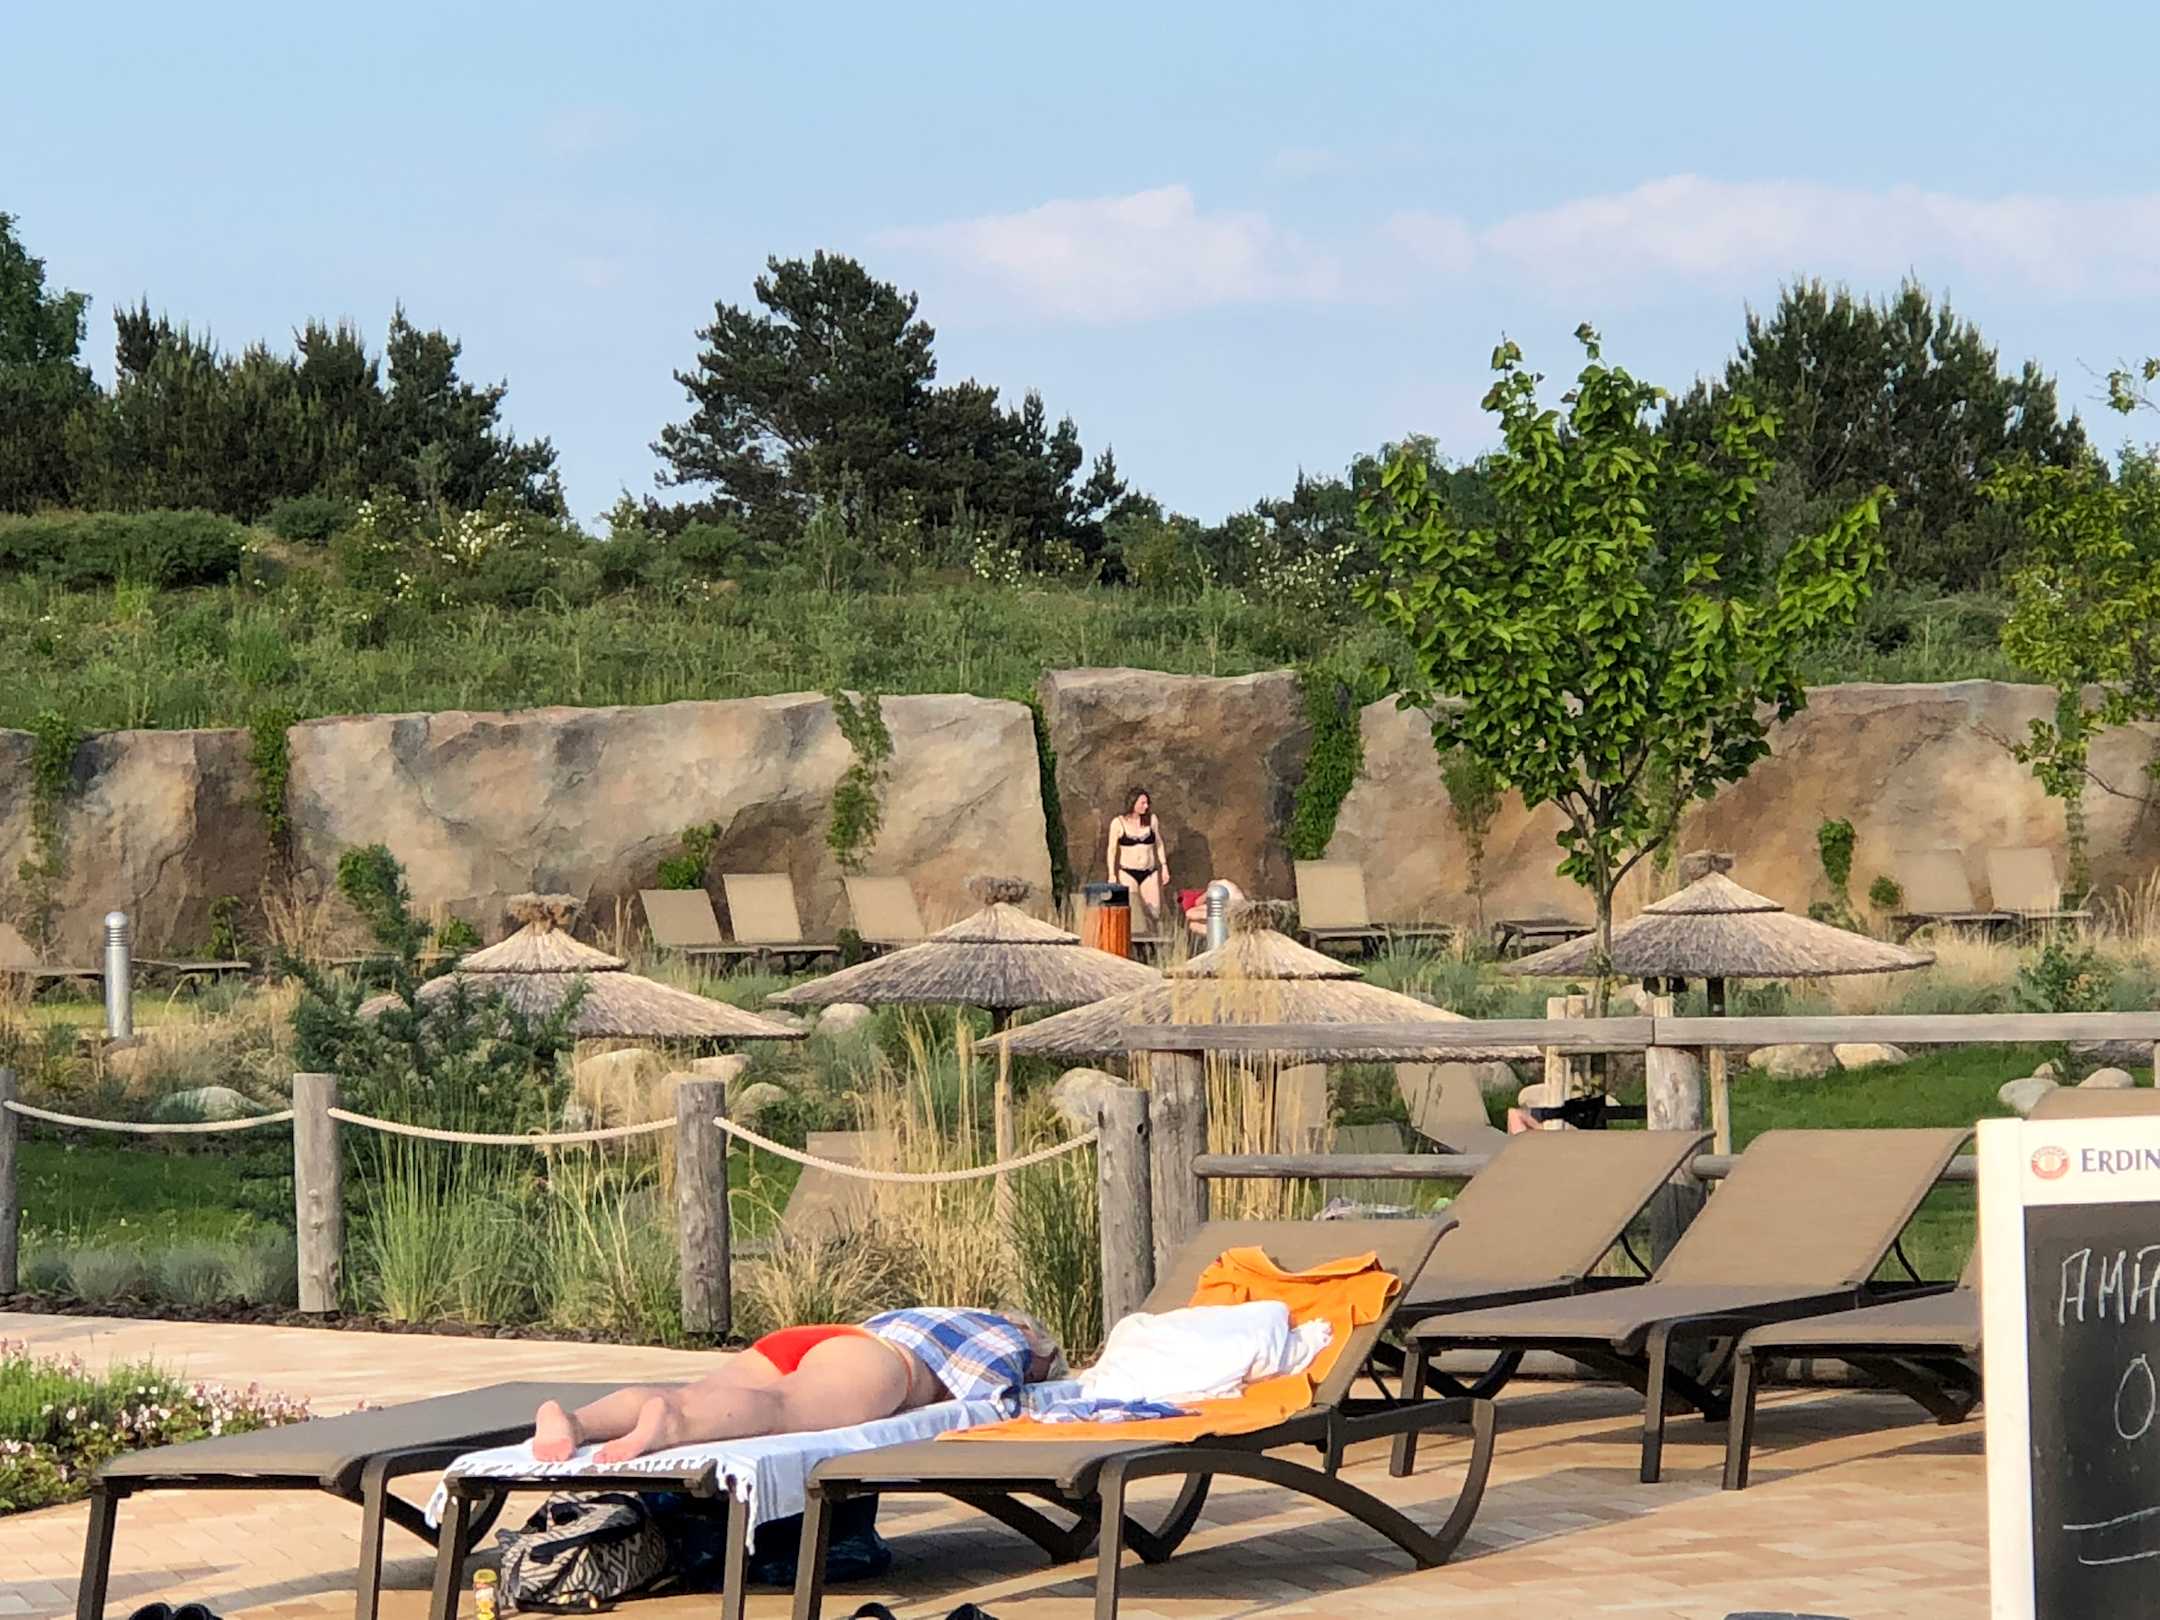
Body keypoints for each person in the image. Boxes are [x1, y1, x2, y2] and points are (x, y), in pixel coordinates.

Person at [529, 1308, 1065, 1464]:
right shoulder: (1006, 1338)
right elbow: (991, 1391)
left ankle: (576, 1421)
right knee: (780, 1407)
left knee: (697, 1389)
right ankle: (673, 1425)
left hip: (817, 1338)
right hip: (878, 1361)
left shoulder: (936, 1311)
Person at [1105, 786, 1171, 931]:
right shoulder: (1118, 823)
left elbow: (1159, 843)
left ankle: (1154, 936)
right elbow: (1111, 850)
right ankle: (1134, 937)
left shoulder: (1152, 820)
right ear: (1133, 802)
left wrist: (1164, 866)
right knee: (1133, 908)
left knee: (1154, 911)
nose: (1146, 806)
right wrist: (1111, 873)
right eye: (1142, 803)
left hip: (1149, 871)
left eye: (1147, 803)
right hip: (1128, 872)